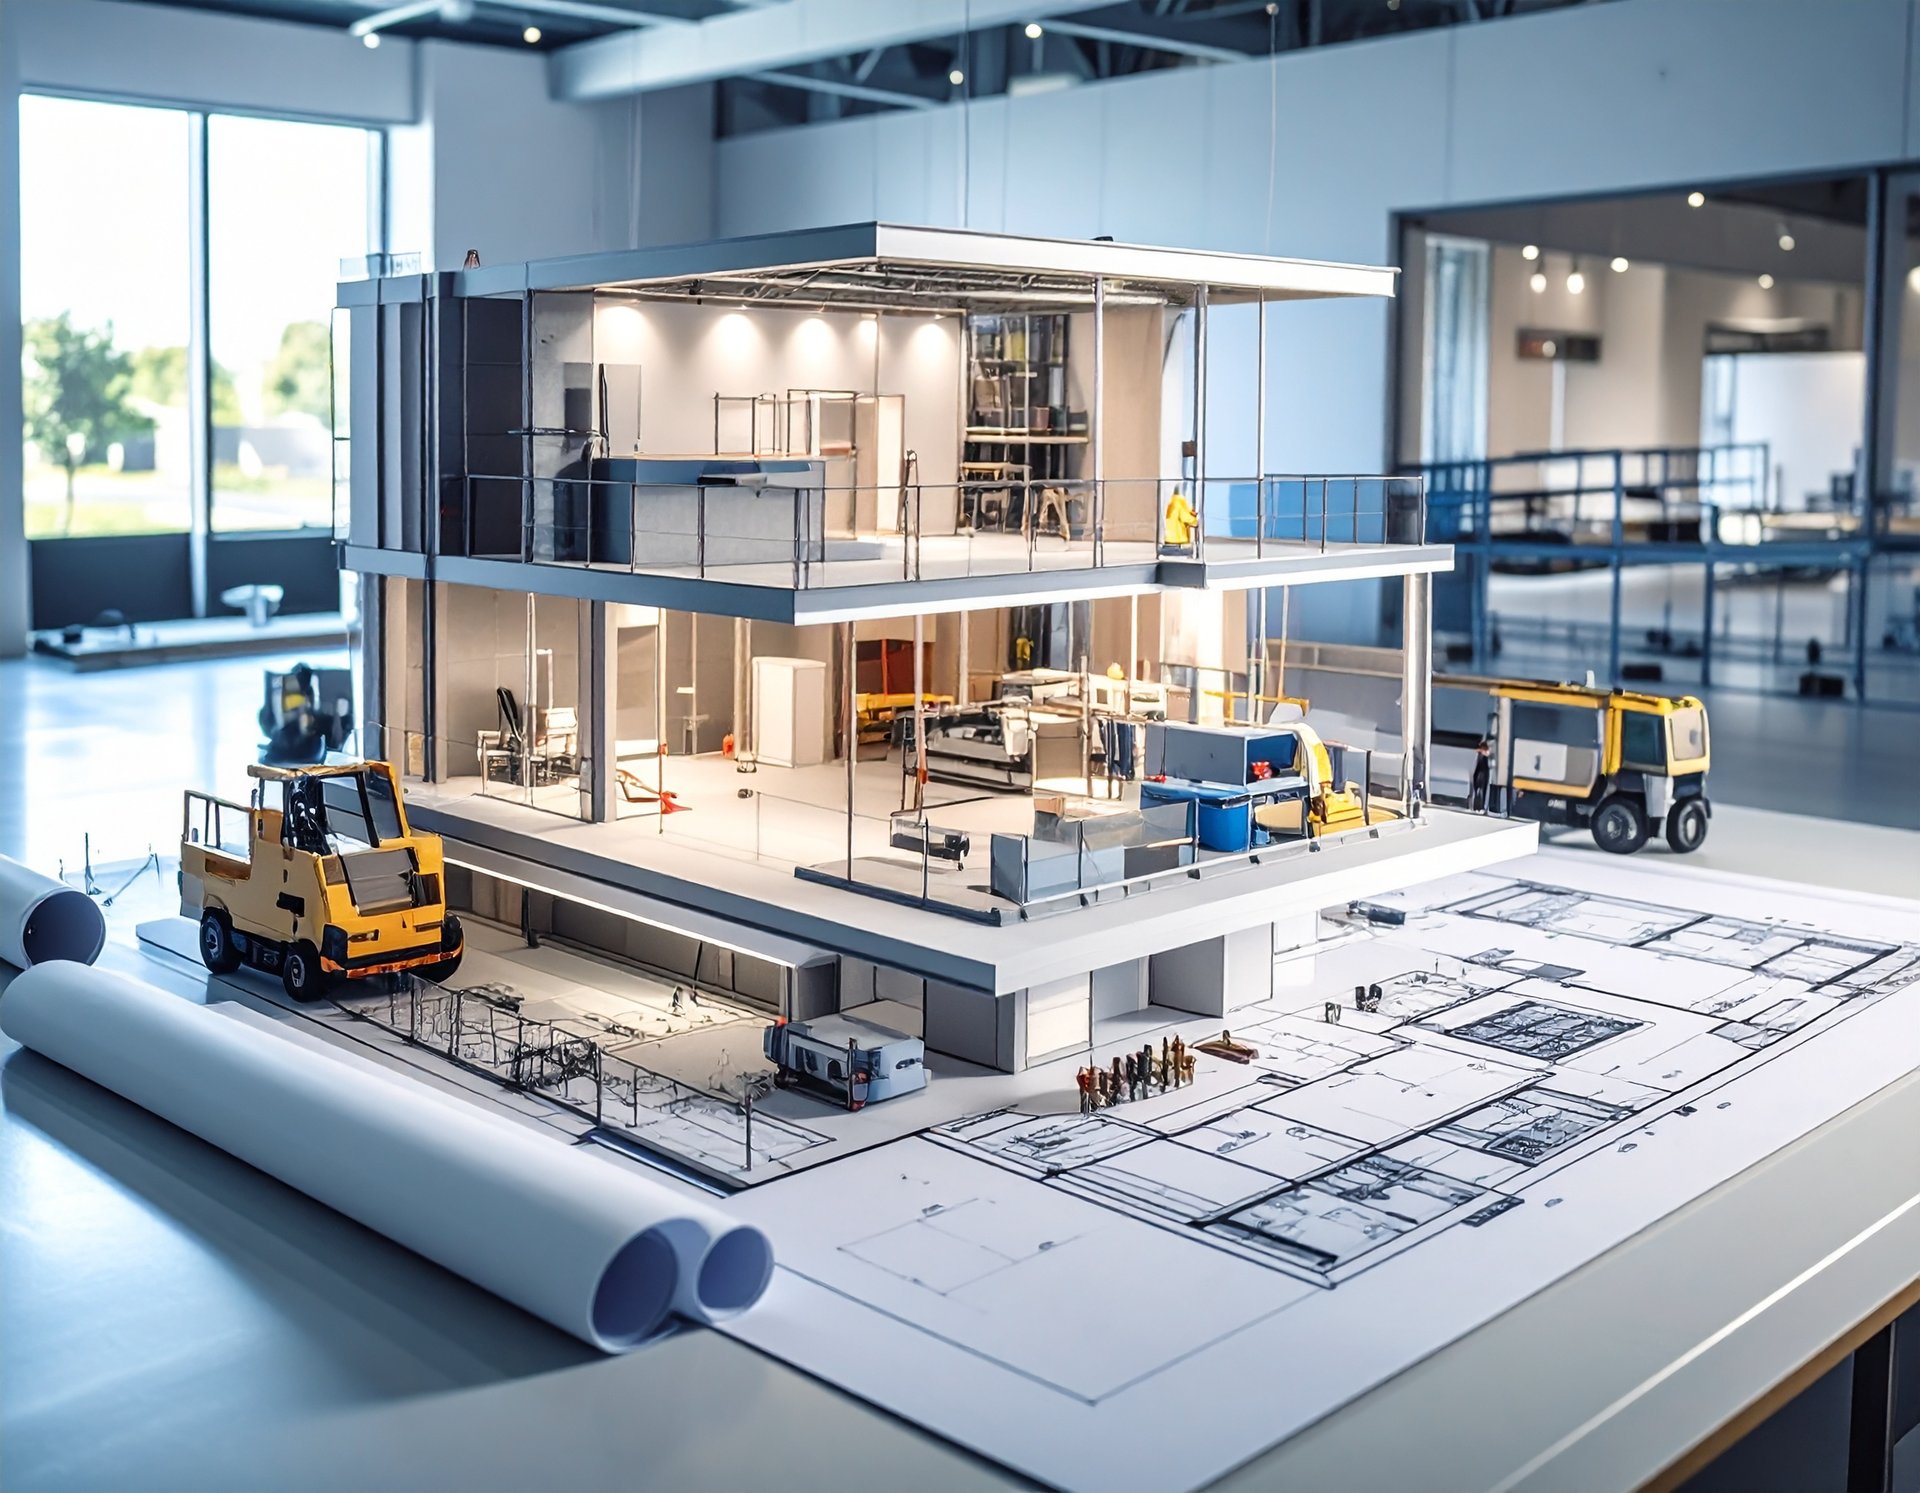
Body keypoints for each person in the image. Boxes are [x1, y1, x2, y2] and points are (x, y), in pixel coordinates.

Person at [1162, 488, 1199, 553]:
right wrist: (1196, 521)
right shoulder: (1179, 501)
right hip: (1178, 539)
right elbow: (1185, 517)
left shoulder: (1170, 501)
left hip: (1168, 537)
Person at [1469, 738, 1492, 812]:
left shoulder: (1484, 754)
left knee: (1482, 791)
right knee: (1477, 790)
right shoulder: (1480, 754)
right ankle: (1476, 806)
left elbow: (1487, 753)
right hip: (1479, 774)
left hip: (1482, 774)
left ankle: (1481, 807)